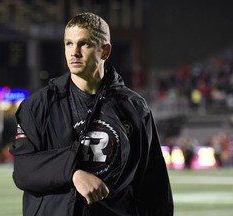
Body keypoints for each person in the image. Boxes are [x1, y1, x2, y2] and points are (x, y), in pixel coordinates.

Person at [10, 12, 173, 216]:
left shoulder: (133, 107)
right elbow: (24, 170)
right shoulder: (38, 105)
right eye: (69, 44)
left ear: (104, 51)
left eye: (84, 44)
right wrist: (73, 174)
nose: (74, 52)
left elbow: (153, 183)